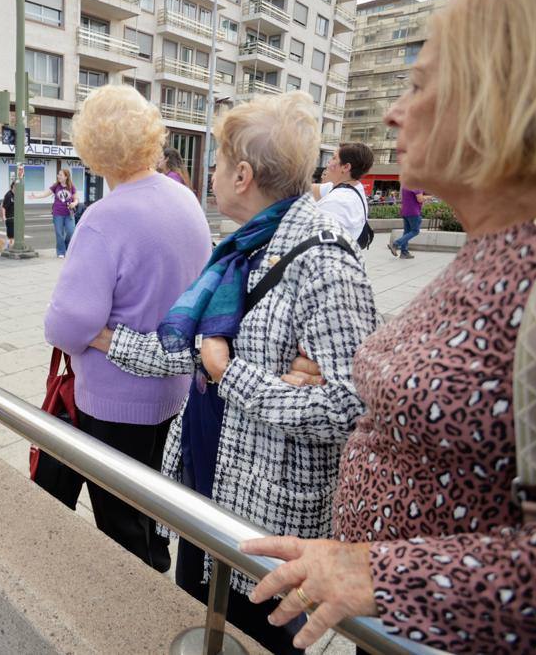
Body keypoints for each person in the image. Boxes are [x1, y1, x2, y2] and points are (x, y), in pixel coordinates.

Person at [241, 0, 536, 651]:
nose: (395, 113)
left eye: (419, 86)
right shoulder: (500, 239)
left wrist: (389, 575)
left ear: (508, 89)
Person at [87, 90, 377, 654]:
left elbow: (350, 407)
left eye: (216, 163)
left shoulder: (324, 261)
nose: (210, 175)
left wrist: (232, 374)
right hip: (211, 478)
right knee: (199, 621)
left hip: (264, 517)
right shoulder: (244, 246)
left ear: (242, 174)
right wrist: (105, 337)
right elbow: (193, 350)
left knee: (248, 638)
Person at [41, 85, 212, 575]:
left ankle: (136, 611)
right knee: (151, 506)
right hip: (172, 389)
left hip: (114, 399)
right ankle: (154, 573)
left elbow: (66, 324)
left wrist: (92, 333)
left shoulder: (103, 217)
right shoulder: (184, 201)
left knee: (119, 521)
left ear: (92, 150)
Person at [310, 143, 373, 241]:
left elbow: (316, 243)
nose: (328, 163)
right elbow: (311, 189)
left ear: (345, 167)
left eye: (334, 158)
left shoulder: (338, 202)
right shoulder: (353, 186)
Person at [29, 168, 78, 258]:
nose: (58, 176)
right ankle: (61, 252)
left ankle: (66, 247)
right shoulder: (56, 186)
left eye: (60, 175)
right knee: (59, 233)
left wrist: (74, 203)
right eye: (58, 174)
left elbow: (76, 199)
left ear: (66, 177)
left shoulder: (71, 187)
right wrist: (35, 196)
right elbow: (45, 194)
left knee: (71, 232)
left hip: (69, 214)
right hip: (58, 213)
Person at [388, 186, 429, 258]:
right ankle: (396, 244)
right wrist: (429, 197)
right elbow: (420, 199)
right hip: (414, 212)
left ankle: (404, 252)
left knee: (407, 232)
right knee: (415, 231)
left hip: (405, 211)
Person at [0, 181, 16, 249]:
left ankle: (9, 247)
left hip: (15, 218)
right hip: (10, 218)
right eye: (16, 186)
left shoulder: (17, 195)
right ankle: (8, 248)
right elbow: (4, 207)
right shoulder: (9, 195)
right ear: (12, 186)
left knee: (14, 236)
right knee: (11, 236)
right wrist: (3, 216)